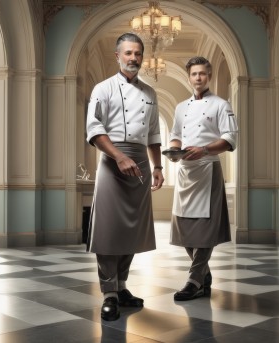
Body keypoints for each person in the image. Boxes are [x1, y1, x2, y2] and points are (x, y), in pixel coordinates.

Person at [85, 32, 164, 321]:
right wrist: (118, 156)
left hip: (141, 160)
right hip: (112, 160)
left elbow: (154, 134)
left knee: (131, 230)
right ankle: (108, 293)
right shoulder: (102, 89)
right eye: (128, 53)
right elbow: (94, 130)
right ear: (117, 56)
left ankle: (121, 286)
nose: (133, 58)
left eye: (138, 54)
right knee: (108, 230)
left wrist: (157, 167)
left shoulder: (150, 93)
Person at [168, 56, 238, 301]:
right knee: (185, 227)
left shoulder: (221, 104)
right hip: (186, 171)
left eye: (202, 74)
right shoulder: (180, 107)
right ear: (189, 77)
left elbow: (230, 139)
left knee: (206, 228)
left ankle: (193, 280)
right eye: (194, 74)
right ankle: (204, 275)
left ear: (208, 76)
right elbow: (175, 134)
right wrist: (175, 150)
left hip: (208, 169)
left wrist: (205, 150)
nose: (198, 78)